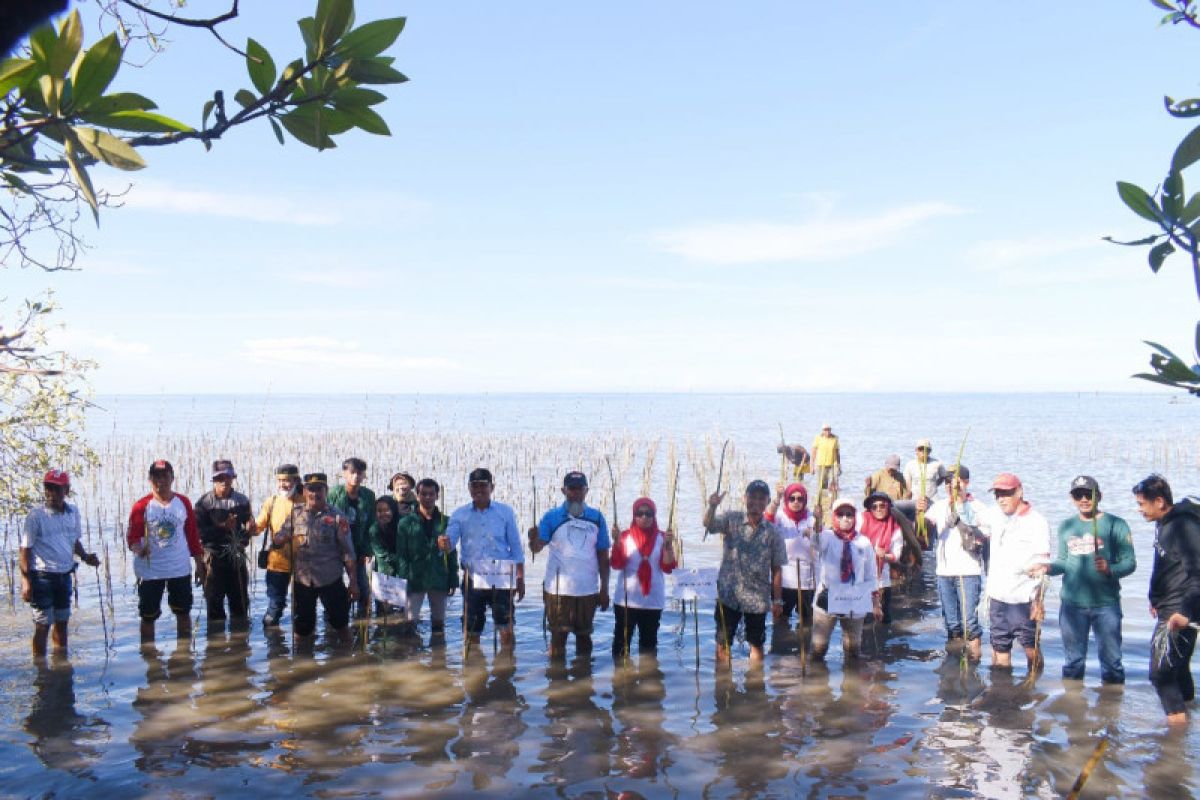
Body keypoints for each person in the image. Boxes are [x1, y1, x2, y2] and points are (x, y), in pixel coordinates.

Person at [1044, 476, 1135, 685]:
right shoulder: (1066, 526)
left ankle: (1111, 710)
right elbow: (1064, 562)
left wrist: (1110, 569)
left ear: (1099, 496)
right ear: (1072, 498)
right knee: (1073, 662)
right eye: (1079, 495)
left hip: (1106, 605)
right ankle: (1074, 709)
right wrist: (1047, 568)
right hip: (1072, 605)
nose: (1084, 499)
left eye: (1089, 494)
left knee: (1112, 663)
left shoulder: (1116, 524)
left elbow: (1130, 562)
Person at [1133, 473, 1200, 725]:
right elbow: (1166, 566)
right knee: (1178, 667)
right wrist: (1155, 597)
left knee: (1160, 674)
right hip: (1168, 606)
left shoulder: (1184, 527)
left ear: (1159, 501)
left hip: (1179, 612)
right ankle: (1190, 715)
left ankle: (1175, 739)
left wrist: (1184, 612)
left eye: (1141, 504)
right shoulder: (1165, 524)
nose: (1139, 510)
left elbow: (1197, 573)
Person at [703, 479, 786, 665]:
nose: (756, 502)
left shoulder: (773, 532)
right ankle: (723, 686)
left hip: (757, 599)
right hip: (728, 595)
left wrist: (777, 600)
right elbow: (709, 525)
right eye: (752, 497)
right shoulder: (731, 519)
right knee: (723, 643)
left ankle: (755, 687)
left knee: (756, 644)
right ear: (745, 498)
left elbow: (777, 569)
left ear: (768, 501)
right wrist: (712, 507)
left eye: (761, 498)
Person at [528, 471, 610, 660]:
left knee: (585, 638)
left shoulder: (596, 517)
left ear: (586, 491)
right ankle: (557, 682)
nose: (575, 493)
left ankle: (584, 679)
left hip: (587, 589)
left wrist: (604, 589)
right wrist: (532, 538)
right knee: (558, 639)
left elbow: (603, 556)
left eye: (579, 489)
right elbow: (537, 548)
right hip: (557, 591)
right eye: (571, 489)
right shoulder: (552, 516)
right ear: (563, 490)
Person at [443, 468, 526, 650]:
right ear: (469, 489)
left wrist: (519, 577)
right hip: (472, 578)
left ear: (492, 487)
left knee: (506, 626)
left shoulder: (505, 512)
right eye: (475, 486)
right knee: (471, 627)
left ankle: (506, 666)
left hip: (501, 578)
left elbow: (516, 548)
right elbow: (449, 546)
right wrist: (443, 544)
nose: (479, 490)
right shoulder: (459, 514)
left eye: (483, 486)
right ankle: (473, 668)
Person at [19, 470, 100, 656]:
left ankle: (61, 666)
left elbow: (73, 542)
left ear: (67, 490)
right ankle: (41, 672)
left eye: (57, 489)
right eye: (48, 488)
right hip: (42, 577)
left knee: (62, 622)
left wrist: (86, 557)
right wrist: (26, 581)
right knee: (42, 625)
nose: (52, 493)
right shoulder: (35, 516)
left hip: (65, 576)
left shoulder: (73, 512)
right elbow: (25, 549)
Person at [126, 460, 207, 644]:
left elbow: (193, 536)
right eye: (156, 476)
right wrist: (138, 548)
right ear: (150, 479)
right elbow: (132, 538)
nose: (160, 480)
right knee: (148, 616)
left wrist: (199, 564)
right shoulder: (141, 506)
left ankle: (184, 656)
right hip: (150, 572)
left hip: (179, 569)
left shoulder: (183, 502)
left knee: (183, 613)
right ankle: (149, 659)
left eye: (164, 476)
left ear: (172, 477)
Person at [274, 472, 359, 643]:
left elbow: (348, 553)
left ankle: (348, 660)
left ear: (326, 491)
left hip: (331, 580)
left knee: (341, 625)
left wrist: (354, 583)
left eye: (319, 489)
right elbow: (277, 539)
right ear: (304, 492)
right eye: (311, 489)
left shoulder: (337, 517)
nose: (315, 494)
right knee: (302, 630)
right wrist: (280, 539)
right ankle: (302, 665)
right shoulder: (295, 514)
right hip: (303, 582)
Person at [981, 472, 1052, 670]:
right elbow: (975, 523)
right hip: (997, 597)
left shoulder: (1037, 522)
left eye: (1006, 493)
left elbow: (1043, 567)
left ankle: (1036, 689)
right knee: (1000, 649)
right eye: (997, 494)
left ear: (1019, 492)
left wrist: (1038, 601)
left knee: (1031, 648)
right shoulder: (993, 513)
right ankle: (1003, 694)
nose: (1001, 499)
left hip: (1024, 599)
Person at [925, 466, 988, 659]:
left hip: (968, 571)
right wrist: (921, 514)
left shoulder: (978, 507)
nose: (950, 485)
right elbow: (924, 533)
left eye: (955, 480)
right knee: (952, 623)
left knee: (970, 624)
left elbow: (984, 537)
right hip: (944, 572)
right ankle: (953, 666)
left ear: (965, 482)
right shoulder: (939, 506)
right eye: (947, 482)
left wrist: (962, 522)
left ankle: (974, 665)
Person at [811, 496, 880, 663]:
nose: (845, 519)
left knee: (853, 650)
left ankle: (850, 686)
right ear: (834, 516)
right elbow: (816, 542)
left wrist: (876, 603)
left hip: (855, 599)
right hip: (828, 597)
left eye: (849, 514)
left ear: (855, 517)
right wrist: (818, 520)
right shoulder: (827, 536)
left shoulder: (864, 542)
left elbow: (871, 574)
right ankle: (817, 685)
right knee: (819, 649)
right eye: (840, 514)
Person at [610, 497, 677, 659]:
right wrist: (617, 543)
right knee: (620, 648)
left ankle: (649, 678)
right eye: (640, 513)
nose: (644, 517)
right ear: (634, 515)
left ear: (654, 516)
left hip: (652, 602)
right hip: (626, 601)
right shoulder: (624, 537)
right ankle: (621, 680)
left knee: (648, 647)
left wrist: (668, 546)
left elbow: (668, 568)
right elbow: (617, 564)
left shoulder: (663, 538)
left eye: (649, 514)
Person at [396, 479, 460, 641]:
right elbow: (402, 555)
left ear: (437, 496)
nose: (428, 497)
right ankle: (411, 658)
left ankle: (438, 657)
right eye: (423, 494)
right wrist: (404, 581)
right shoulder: (405, 523)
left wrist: (453, 579)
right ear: (417, 496)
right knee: (410, 622)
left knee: (439, 623)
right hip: (415, 578)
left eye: (431, 494)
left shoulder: (447, 521)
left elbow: (452, 553)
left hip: (438, 577)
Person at [194, 459, 254, 628]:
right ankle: (215, 647)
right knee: (214, 604)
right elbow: (198, 534)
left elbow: (246, 531)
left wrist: (249, 530)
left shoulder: (242, 501)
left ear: (232, 478)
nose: (224, 482)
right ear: (214, 480)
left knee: (240, 603)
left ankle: (240, 644)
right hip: (213, 558)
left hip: (236, 556)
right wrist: (221, 528)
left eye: (227, 477)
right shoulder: (204, 503)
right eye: (220, 478)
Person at [328, 457, 376, 619]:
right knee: (335, 588)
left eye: (360, 473)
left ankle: (362, 622)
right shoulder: (334, 493)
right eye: (352, 472)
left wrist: (368, 550)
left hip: (358, 547)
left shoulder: (368, 496)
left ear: (364, 476)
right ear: (344, 474)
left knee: (362, 587)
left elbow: (371, 525)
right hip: (336, 549)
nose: (356, 477)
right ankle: (335, 620)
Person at [255, 464, 302, 627]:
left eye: (287, 480)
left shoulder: (306, 501)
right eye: (280, 480)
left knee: (302, 608)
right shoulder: (272, 502)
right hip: (276, 563)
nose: (283, 484)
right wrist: (249, 527)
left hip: (303, 564)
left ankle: (302, 644)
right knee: (275, 605)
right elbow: (258, 527)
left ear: (296, 480)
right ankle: (272, 643)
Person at [765, 482, 817, 628]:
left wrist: (815, 530)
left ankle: (805, 646)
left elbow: (821, 542)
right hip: (784, 580)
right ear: (786, 500)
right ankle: (782, 646)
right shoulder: (780, 516)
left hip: (807, 580)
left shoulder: (812, 518)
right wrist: (777, 498)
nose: (796, 502)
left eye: (800, 499)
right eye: (792, 498)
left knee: (808, 621)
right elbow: (767, 519)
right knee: (781, 620)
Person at [859, 492, 905, 625]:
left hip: (882, 581)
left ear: (887, 507)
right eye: (874, 506)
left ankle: (884, 643)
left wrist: (884, 555)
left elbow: (896, 555)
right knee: (864, 619)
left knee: (884, 618)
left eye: (882, 506)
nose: (878, 509)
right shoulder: (861, 520)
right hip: (862, 579)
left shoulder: (895, 528)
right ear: (870, 508)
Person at [810, 424, 841, 496]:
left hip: (833, 464)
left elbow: (837, 453)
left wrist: (839, 465)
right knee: (822, 485)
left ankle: (833, 499)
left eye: (829, 430)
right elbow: (813, 453)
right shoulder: (818, 438)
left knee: (834, 484)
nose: (827, 431)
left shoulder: (835, 438)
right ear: (823, 431)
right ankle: (823, 499)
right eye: (825, 430)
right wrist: (812, 466)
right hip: (821, 464)